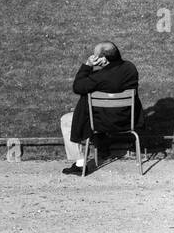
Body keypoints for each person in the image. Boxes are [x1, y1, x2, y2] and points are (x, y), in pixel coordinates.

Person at [59, 42, 144, 176]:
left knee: (67, 120)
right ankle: (103, 147)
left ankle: (80, 164)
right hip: (128, 119)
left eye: (95, 54)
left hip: (101, 122)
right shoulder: (131, 68)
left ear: (103, 59)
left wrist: (88, 65)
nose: (93, 56)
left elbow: (78, 86)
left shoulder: (99, 78)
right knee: (91, 110)